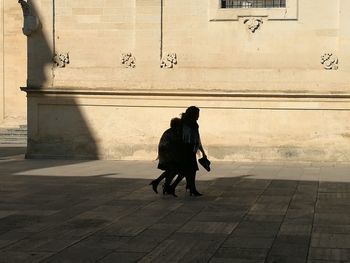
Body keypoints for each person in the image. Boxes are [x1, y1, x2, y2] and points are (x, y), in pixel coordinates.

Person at [170, 106, 206, 196]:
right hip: (187, 149)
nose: (198, 116)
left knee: (190, 170)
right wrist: (201, 150)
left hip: (186, 148)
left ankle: (191, 188)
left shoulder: (185, 122)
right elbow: (196, 138)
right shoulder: (191, 124)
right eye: (197, 114)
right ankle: (177, 187)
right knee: (188, 170)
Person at [149, 117, 182, 196]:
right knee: (174, 169)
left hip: (165, 154)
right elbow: (174, 144)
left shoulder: (169, 131)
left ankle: (159, 182)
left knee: (170, 170)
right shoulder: (173, 133)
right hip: (168, 154)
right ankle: (164, 185)